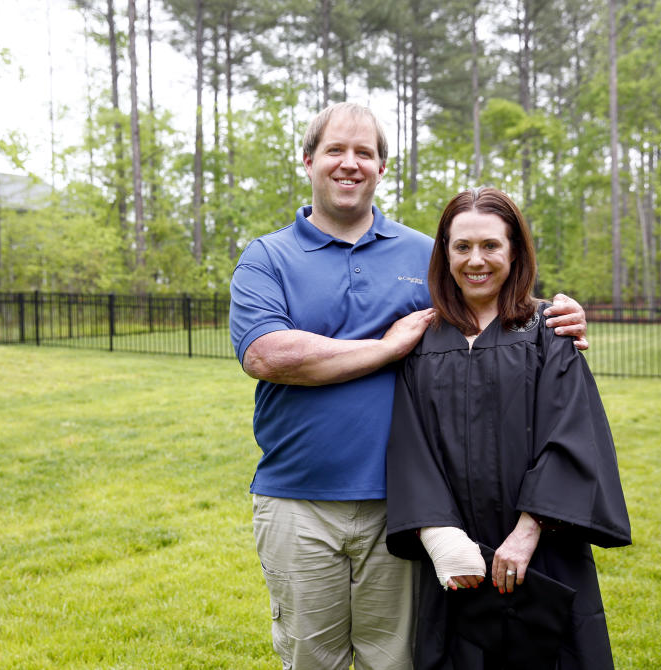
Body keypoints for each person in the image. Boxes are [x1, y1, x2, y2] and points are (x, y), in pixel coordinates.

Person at [229, 103, 589, 670]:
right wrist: (386, 348)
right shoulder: (267, 256)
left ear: (381, 168)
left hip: (399, 508)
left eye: (364, 153)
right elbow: (267, 355)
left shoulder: (423, 253)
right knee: (309, 660)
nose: (350, 164)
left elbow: (487, 298)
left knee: (394, 660)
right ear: (308, 161)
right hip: (297, 500)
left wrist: (557, 317)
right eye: (335, 151)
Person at [385, 187, 632, 670]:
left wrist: (528, 530)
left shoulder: (548, 331)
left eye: (491, 246)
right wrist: (439, 535)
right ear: (445, 253)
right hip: (458, 558)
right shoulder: (423, 339)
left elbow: (571, 433)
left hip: (543, 550)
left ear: (514, 250)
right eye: (462, 247)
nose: (476, 260)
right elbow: (408, 444)